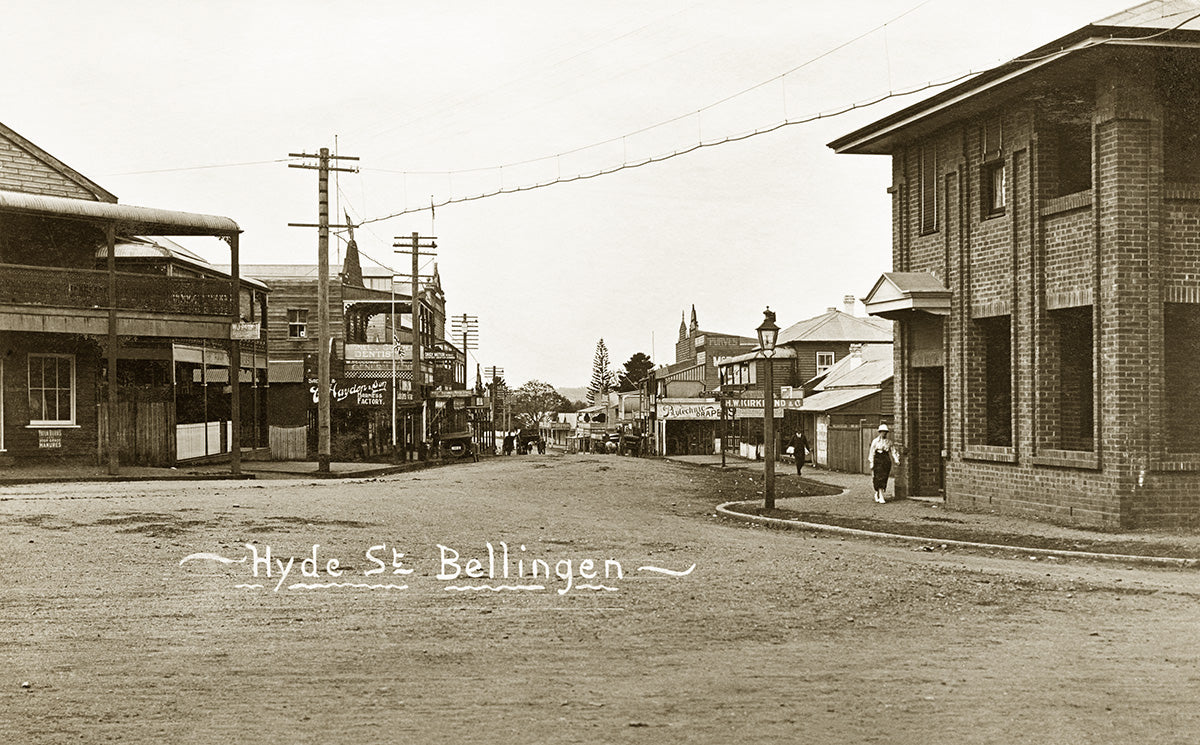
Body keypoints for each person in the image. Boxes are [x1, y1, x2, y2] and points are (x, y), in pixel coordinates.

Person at [869, 423, 900, 503]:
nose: (884, 433)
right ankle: (880, 495)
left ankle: (879, 493)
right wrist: (871, 462)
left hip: (885, 459)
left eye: (885, 432)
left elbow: (893, 451)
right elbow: (872, 452)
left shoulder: (889, 442)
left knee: (884, 477)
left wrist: (896, 459)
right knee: (878, 477)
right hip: (878, 459)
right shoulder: (875, 441)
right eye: (883, 431)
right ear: (879, 432)